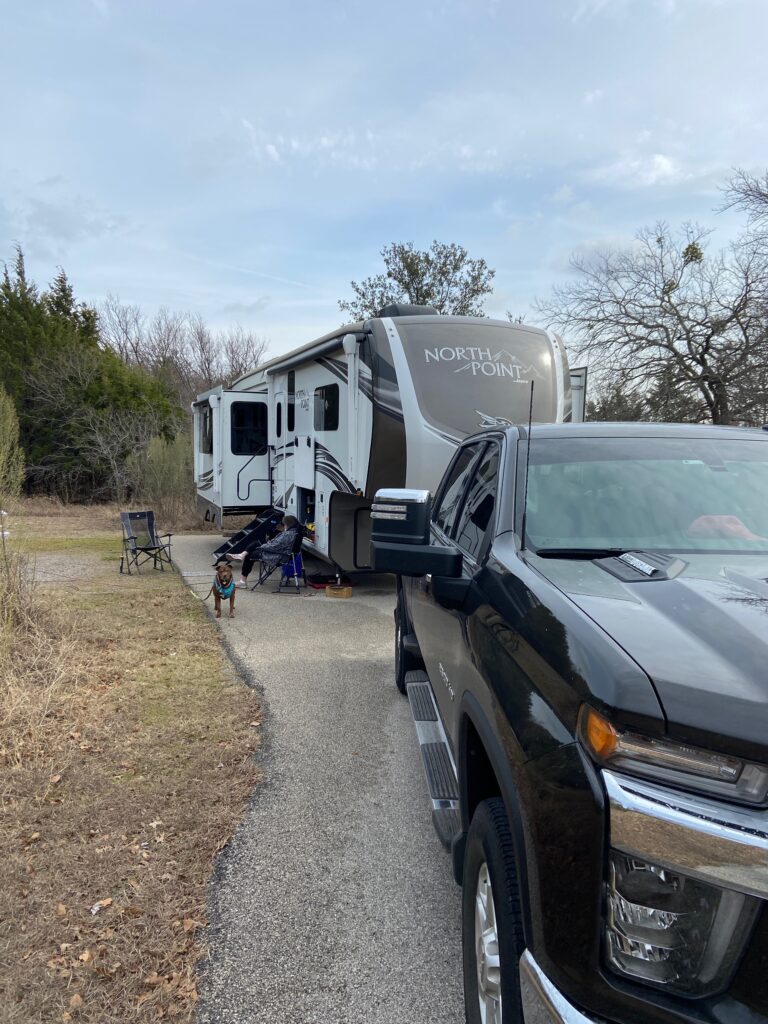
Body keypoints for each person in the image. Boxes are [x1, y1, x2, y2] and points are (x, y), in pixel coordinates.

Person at [226, 515, 301, 587]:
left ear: (287, 524)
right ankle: (241, 555)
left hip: (279, 556)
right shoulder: (294, 532)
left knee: (250, 554)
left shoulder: (288, 534)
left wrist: (261, 547)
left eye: (284, 524)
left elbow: (275, 546)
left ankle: (242, 580)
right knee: (256, 543)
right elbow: (277, 545)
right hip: (282, 554)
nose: (283, 526)